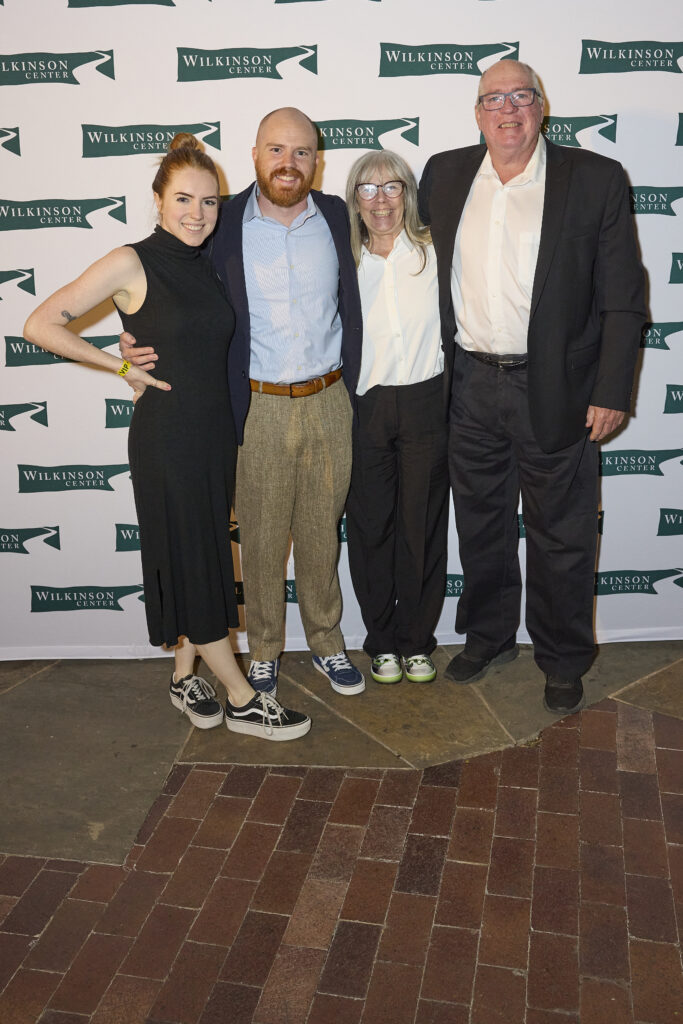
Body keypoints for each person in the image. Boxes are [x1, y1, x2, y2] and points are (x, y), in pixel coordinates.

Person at [23, 134, 311, 741]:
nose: (197, 214)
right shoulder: (131, 261)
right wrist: (120, 367)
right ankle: (242, 699)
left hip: (215, 436)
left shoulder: (210, 259)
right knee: (197, 564)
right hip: (169, 439)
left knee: (199, 556)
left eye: (209, 202)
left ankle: (184, 677)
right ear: (158, 200)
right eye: (183, 199)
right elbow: (40, 323)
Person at [418, 60, 646, 714]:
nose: (508, 109)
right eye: (494, 99)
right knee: (480, 526)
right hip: (467, 384)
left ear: (542, 107)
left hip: (558, 389)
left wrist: (611, 390)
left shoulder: (594, 178)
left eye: (522, 96)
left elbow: (623, 297)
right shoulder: (445, 174)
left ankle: (563, 658)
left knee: (562, 535)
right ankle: (488, 637)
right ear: (477, 113)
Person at [122, 109, 365, 699]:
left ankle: (327, 643)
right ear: (255, 154)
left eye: (302, 151)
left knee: (321, 535)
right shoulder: (219, 221)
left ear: (317, 160)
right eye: (276, 149)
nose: (289, 162)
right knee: (258, 541)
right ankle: (264, 652)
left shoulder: (337, 215)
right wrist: (130, 349)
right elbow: (168, 290)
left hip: (329, 399)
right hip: (255, 406)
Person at [344, 151, 449, 685]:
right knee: (370, 528)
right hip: (365, 408)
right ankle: (381, 642)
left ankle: (417, 642)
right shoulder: (344, 261)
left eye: (392, 187)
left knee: (422, 527)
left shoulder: (435, 251)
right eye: (368, 188)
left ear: (408, 193)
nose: (381, 200)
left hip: (428, 401)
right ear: (354, 199)